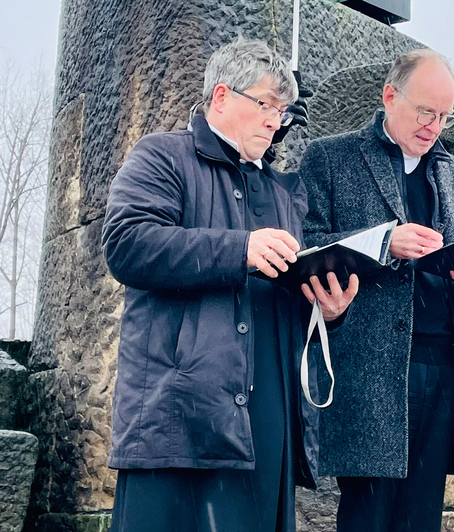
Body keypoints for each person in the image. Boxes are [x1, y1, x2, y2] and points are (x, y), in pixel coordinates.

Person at [101, 37, 358, 532]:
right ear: (221, 97)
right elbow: (127, 244)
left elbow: (284, 295)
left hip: (267, 417)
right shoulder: (161, 156)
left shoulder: (288, 192)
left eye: (281, 110)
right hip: (176, 414)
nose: (274, 119)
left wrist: (326, 312)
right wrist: (238, 249)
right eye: (264, 103)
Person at [299, 49, 454, 532]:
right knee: (366, 517)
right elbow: (305, 247)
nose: (434, 125)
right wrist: (385, 243)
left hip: (448, 368)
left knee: (421, 518)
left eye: (445, 116)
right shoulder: (330, 158)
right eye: (425, 111)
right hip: (371, 368)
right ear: (391, 96)